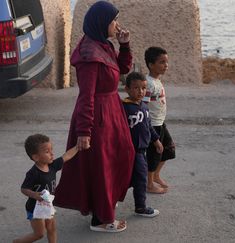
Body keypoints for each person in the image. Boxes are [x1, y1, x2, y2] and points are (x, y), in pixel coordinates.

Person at [53, 1, 135, 233]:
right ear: (101, 23)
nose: (117, 24)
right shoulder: (89, 56)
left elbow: (123, 69)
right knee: (103, 167)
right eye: (113, 20)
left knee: (120, 157)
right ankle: (102, 219)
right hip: (98, 117)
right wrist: (84, 131)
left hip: (111, 112)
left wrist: (125, 45)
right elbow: (86, 96)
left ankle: (103, 207)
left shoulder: (103, 45)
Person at [13, 134, 78, 243]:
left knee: (51, 228)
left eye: (51, 149)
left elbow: (66, 156)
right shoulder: (33, 173)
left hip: (47, 205)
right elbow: (24, 188)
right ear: (36, 157)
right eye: (47, 152)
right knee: (39, 234)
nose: (52, 154)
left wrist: (78, 147)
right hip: (35, 208)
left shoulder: (52, 165)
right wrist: (34, 195)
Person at [122, 72, 164, 217]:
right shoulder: (123, 108)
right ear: (127, 89)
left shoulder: (144, 106)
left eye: (143, 88)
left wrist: (156, 140)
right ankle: (138, 207)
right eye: (136, 88)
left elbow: (148, 126)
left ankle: (139, 206)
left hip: (141, 152)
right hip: (127, 152)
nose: (140, 91)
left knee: (139, 179)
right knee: (125, 179)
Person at [143, 46, 176, 194]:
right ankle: (149, 183)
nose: (166, 66)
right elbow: (143, 105)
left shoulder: (156, 81)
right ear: (151, 64)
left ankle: (156, 175)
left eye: (166, 62)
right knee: (154, 154)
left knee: (168, 148)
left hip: (160, 122)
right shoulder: (149, 83)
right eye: (162, 62)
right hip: (153, 125)